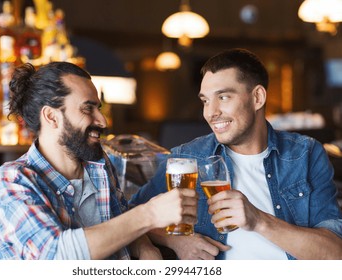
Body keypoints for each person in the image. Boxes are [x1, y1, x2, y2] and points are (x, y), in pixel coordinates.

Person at [130, 48, 342, 260]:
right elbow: (129, 216)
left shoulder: (305, 154)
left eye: (223, 97)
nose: (210, 112)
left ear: (257, 97)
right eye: (205, 100)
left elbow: (335, 255)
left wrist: (258, 220)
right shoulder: (187, 158)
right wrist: (173, 241)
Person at [0, 61, 198, 260]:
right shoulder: (12, 180)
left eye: (99, 108)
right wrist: (148, 214)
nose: (103, 121)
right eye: (88, 108)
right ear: (51, 117)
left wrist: (146, 249)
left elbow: (119, 226)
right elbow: (54, 256)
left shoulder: (98, 165)